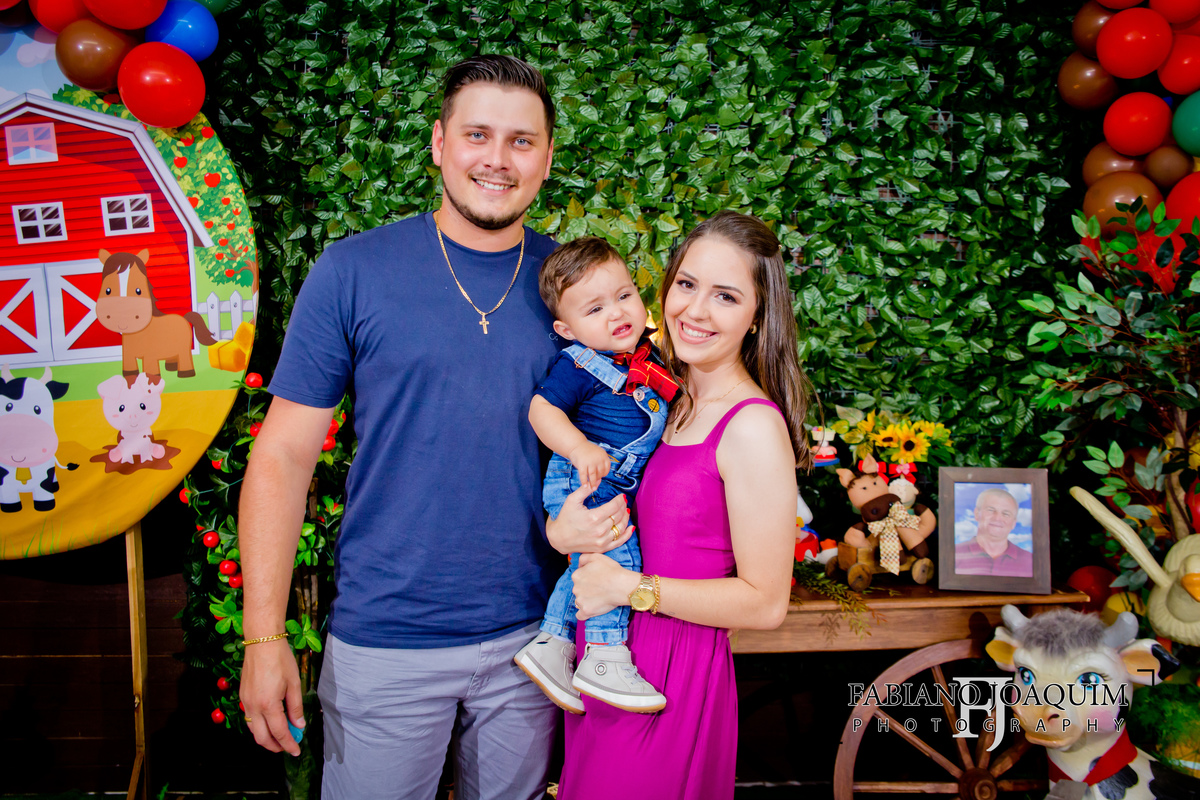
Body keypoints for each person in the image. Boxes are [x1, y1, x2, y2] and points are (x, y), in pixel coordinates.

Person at [236, 55, 633, 800]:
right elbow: (284, 456)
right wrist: (263, 636)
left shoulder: (579, 294)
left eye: (521, 140)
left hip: (537, 641)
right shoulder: (353, 272)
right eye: (477, 134)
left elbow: (638, 433)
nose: (498, 158)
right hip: (386, 641)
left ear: (547, 158)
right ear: (439, 143)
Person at [547, 211, 812, 798]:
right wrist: (562, 533)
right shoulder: (657, 395)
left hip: (671, 675)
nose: (695, 310)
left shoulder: (751, 426)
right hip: (605, 659)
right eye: (687, 284)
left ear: (757, 315)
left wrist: (629, 589)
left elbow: (766, 602)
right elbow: (596, 499)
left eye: (725, 296)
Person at [514, 236, 678, 715]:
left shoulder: (649, 359)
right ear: (566, 329)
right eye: (595, 309)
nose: (616, 313)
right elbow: (541, 411)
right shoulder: (579, 365)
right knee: (615, 562)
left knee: (586, 564)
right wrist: (578, 446)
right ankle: (605, 657)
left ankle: (552, 645)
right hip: (582, 481)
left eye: (624, 295)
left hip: (612, 485)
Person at [954, 487, 1033, 577]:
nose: (997, 518)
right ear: (976, 514)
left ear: (1013, 523)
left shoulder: (1030, 561)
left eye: (1006, 513)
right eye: (990, 510)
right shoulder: (953, 555)